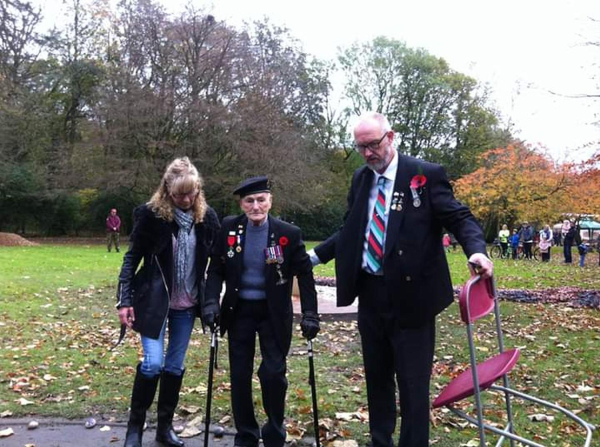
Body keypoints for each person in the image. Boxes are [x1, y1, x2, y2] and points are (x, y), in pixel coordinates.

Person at [308, 112, 492, 447]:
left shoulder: (425, 175)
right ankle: (381, 441)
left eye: (373, 145)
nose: (367, 154)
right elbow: (351, 230)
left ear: (390, 137)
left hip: (414, 299)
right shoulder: (361, 180)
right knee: (377, 380)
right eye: (360, 147)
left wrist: (476, 250)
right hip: (371, 294)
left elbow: (459, 217)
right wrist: (314, 257)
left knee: (412, 386)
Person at [202, 176, 320, 447]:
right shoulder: (229, 228)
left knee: (273, 373)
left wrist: (310, 314)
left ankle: (275, 430)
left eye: (260, 200)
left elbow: (304, 275)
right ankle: (246, 433)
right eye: (249, 201)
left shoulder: (287, 234)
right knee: (239, 375)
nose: (255, 206)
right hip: (239, 310)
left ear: (270, 201)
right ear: (241, 204)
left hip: (273, 313)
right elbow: (216, 269)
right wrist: (210, 303)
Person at [116, 157, 220, 447]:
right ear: (166, 191)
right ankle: (134, 429)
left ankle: (164, 428)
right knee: (152, 364)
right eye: (178, 195)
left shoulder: (207, 219)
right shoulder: (151, 217)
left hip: (186, 307)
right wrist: (124, 301)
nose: (185, 200)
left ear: (198, 190)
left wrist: (212, 301)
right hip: (154, 304)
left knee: (174, 367)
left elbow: (218, 263)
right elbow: (131, 259)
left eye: (191, 193)